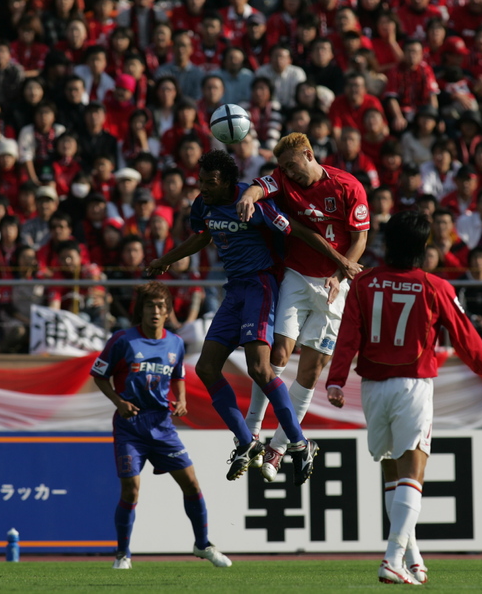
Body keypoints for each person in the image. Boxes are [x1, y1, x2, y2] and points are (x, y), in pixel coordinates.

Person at [326, 210, 482, 586]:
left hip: (372, 388)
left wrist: (336, 380)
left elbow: (348, 335)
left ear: (386, 244)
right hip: (413, 386)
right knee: (413, 474)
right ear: (423, 246)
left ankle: (412, 558)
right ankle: (391, 559)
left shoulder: (364, 282)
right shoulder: (435, 286)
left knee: (393, 474)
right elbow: (463, 332)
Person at [148, 150, 337, 484]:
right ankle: (247, 442)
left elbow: (293, 230)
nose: (203, 187)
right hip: (234, 290)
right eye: (201, 181)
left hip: (261, 286)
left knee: (260, 368)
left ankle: (299, 443)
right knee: (206, 368)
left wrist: (337, 260)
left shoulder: (255, 204)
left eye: (210, 182)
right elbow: (202, 236)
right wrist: (166, 259)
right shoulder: (203, 204)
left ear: (228, 182)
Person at [236, 132, 368, 482]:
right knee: (278, 354)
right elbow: (259, 187)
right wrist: (248, 197)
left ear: (309, 154)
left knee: (310, 371)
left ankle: (279, 448)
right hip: (296, 275)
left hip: (334, 285)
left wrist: (339, 275)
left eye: (292, 165)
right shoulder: (282, 177)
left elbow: (360, 239)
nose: (289, 173)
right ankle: (250, 432)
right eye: (283, 168)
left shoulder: (348, 186)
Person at [92, 281, 231, 570]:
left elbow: (178, 375)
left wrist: (181, 399)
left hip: (162, 424)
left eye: (160, 306)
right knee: (131, 489)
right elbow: (100, 375)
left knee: (191, 482)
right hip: (131, 425)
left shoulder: (175, 343)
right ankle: (123, 554)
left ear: (167, 312)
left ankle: (203, 544)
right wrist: (118, 401)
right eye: (150, 306)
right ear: (141, 311)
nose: (155, 311)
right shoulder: (122, 340)